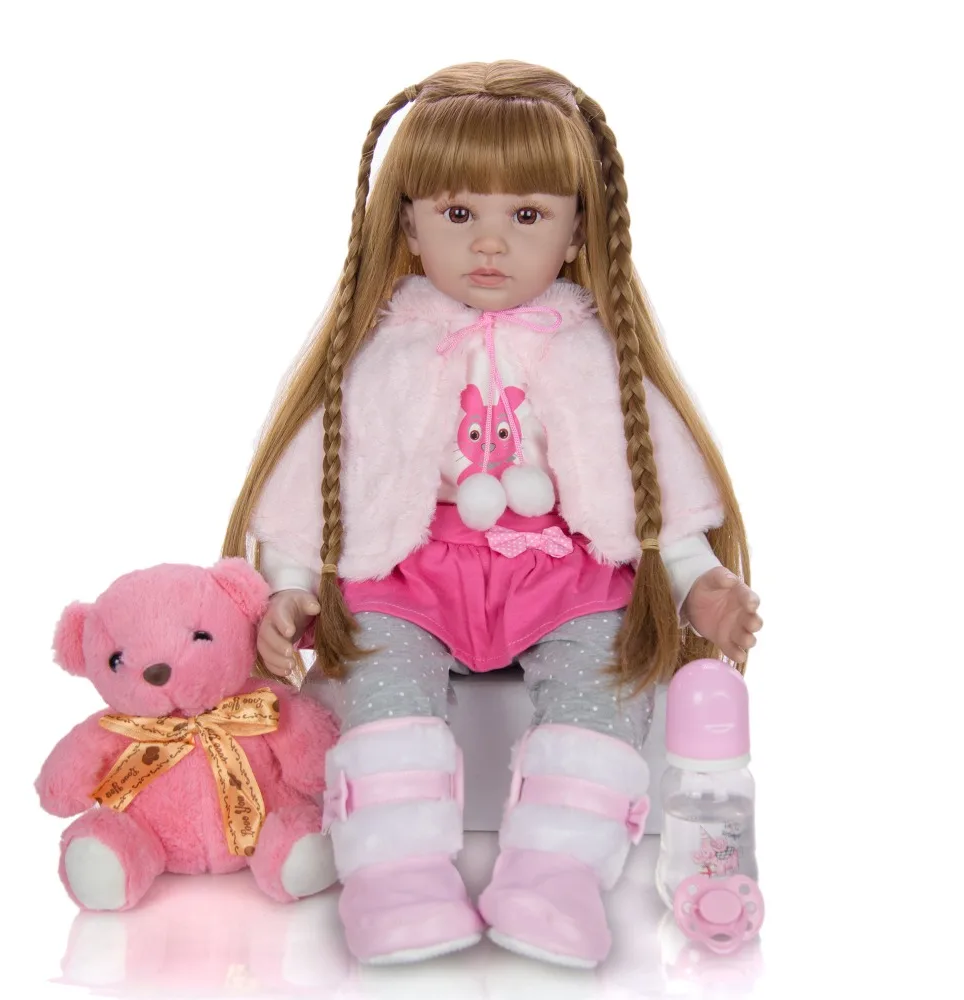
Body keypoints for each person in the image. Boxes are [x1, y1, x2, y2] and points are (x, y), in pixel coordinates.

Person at [222, 60, 762, 969]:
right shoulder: (386, 349)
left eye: (528, 216)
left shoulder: (590, 351)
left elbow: (646, 479)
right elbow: (326, 468)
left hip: (561, 572)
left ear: (578, 229)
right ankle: (396, 879)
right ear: (407, 223)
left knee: (605, 674)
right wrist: (288, 585)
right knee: (381, 675)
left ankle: (556, 877)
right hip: (412, 572)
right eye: (458, 212)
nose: (490, 243)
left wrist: (694, 578)